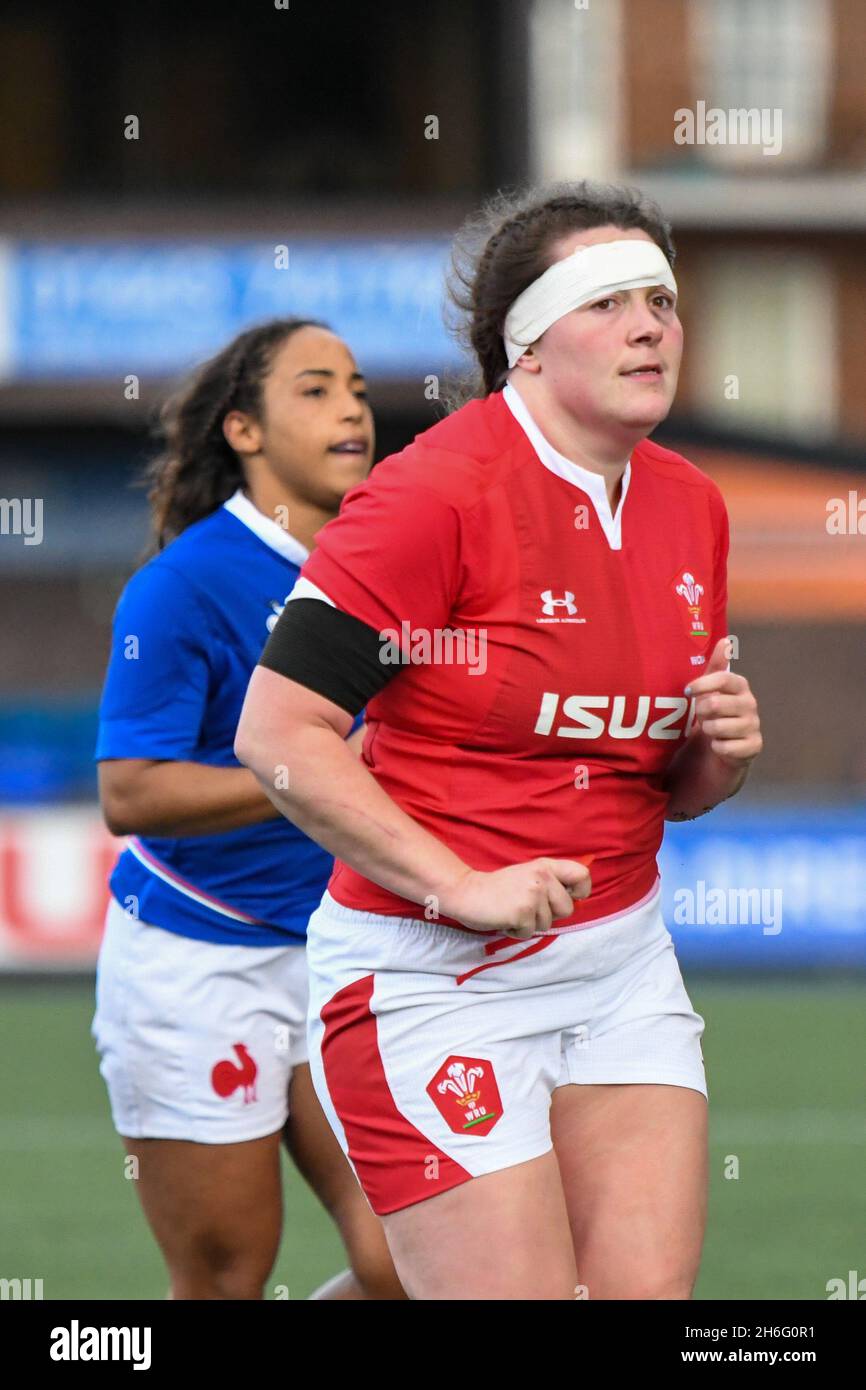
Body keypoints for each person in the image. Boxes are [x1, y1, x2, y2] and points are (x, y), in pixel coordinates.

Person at [234, 183, 763, 1301]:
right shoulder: (428, 497)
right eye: (605, 302)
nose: (648, 326)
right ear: (524, 345)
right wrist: (458, 884)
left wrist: (718, 752)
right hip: (431, 984)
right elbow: (277, 732)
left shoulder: (691, 505)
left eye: (659, 300)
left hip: (618, 967)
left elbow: (663, 784)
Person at [92, 317, 404, 1300]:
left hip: (349, 952)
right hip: (199, 965)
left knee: (416, 1262)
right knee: (227, 1276)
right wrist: (306, 768)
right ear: (243, 431)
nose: (350, 406)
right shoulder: (183, 585)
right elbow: (129, 792)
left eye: (355, 386)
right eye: (313, 389)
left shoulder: (395, 563)